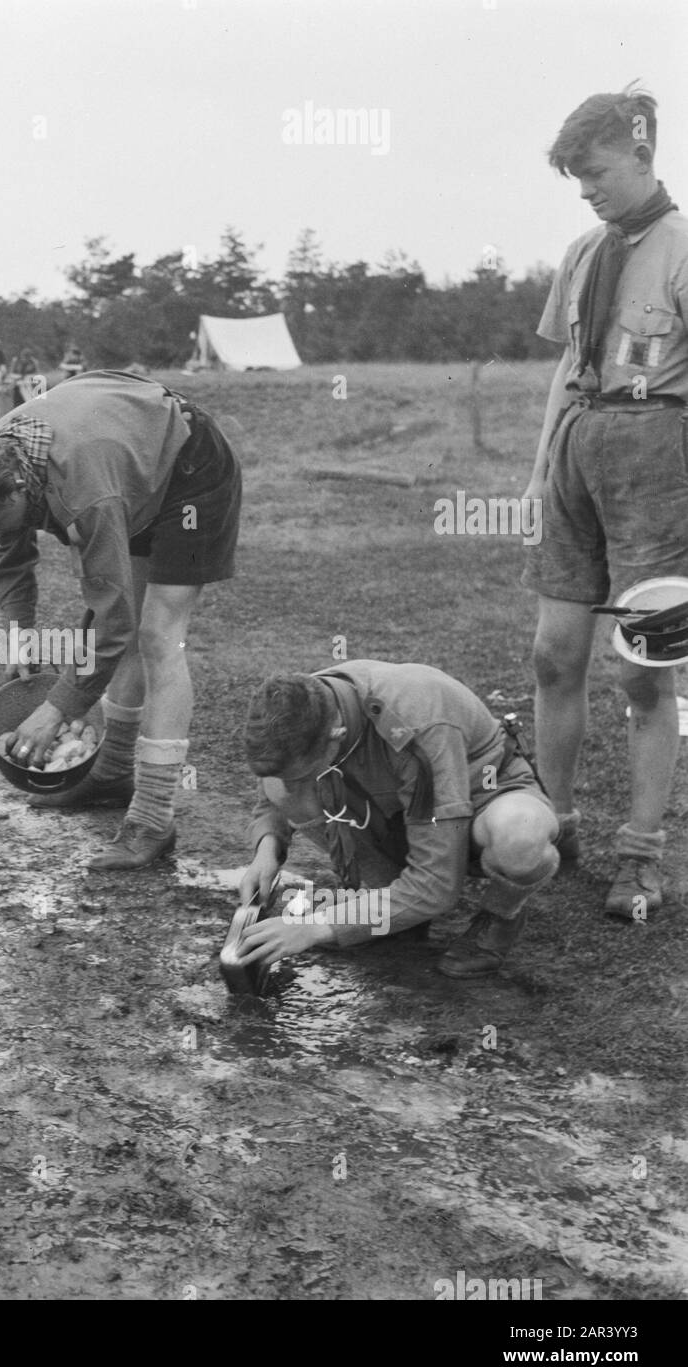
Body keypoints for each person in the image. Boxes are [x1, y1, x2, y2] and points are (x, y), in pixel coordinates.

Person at [0, 370, 242, 870]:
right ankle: (113, 771)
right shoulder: (0, 456)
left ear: (12, 493)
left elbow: (110, 620)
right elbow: (10, 550)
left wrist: (56, 709)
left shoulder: (84, 491)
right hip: (129, 464)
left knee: (158, 636)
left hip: (190, 471)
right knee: (132, 630)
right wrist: (20, 630)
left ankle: (154, 818)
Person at [522, 85, 687, 918]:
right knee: (554, 656)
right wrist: (537, 468)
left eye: (594, 172)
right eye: (575, 179)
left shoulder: (684, 248)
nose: (585, 189)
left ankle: (641, 854)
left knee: (644, 671)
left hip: (658, 462)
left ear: (641, 154)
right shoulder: (583, 251)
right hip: (575, 460)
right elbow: (566, 367)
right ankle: (551, 824)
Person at [231, 663, 561, 979]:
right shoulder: (309, 703)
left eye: (304, 773)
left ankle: (501, 913)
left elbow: (437, 884)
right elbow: (279, 783)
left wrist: (318, 927)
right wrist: (267, 849)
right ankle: (390, 901)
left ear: (337, 734)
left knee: (521, 836)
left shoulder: (416, 725)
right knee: (286, 785)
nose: (295, 784)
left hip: (482, 797)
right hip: (400, 809)